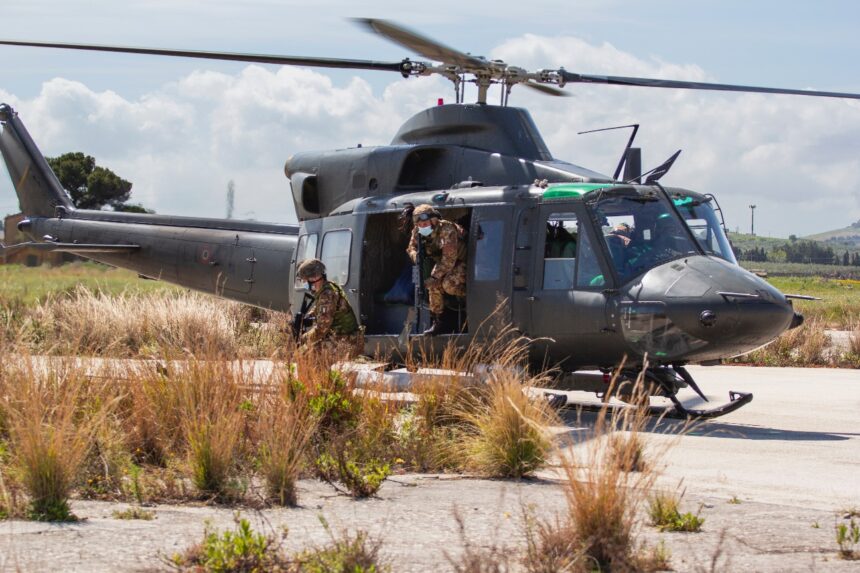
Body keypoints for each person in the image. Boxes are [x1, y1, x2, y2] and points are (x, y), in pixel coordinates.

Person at [406, 204, 467, 336]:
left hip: (461, 262)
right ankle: (438, 322)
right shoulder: (418, 231)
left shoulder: (447, 229)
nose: (422, 227)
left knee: (448, 284)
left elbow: (449, 260)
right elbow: (411, 247)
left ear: (434, 220)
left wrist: (433, 277)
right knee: (433, 286)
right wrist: (416, 256)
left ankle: (469, 298)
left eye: (425, 223)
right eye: (420, 224)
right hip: (442, 264)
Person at [295, 258, 361, 354]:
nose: (305, 284)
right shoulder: (326, 289)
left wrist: (302, 338)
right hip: (342, 337)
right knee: (305, 353)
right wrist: (308, 317)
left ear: (313, 279)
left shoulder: (327, 295)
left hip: (346, 341)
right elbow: (322, 309)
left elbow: (322, 329)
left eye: (305, 281)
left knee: (307, 357)